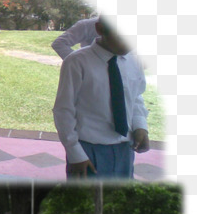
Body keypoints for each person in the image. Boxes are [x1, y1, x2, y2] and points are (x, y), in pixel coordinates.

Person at [52, 17, 149, 178]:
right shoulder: (76, 62)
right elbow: (63, 110)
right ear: (100, 29)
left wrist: (140, 125)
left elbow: (136, 96)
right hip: (87, 150)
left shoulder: (134, 60)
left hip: (124, 148)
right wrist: (75, 153)